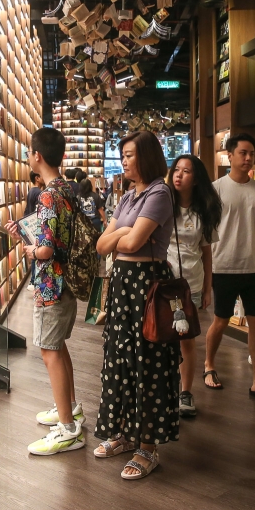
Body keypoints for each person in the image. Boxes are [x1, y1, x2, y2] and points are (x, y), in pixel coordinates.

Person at [93, 131, 178, 480]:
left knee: (148, 362)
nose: (124, 161)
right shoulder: (129, 197)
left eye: (129, 155)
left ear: (145, 156)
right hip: (124, 285)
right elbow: (103, 245)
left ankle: (148, 446)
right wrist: (119, 239)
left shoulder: (160, 193)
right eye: (123, 155)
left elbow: (136, 240)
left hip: (148, 286)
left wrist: (119, 239)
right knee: (119, 360)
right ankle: (125, 433)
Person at [5, 128, 84, 456]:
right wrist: (27, 235)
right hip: (66, 282)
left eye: (28, 151)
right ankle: (69, 408)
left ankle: (67, 429)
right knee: (58, 346)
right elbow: (55, 234)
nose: (27, 156)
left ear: (38, 155)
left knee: (49, 350)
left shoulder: (48, 194)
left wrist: (30, 250)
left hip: (52, 283)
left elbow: (47, 249)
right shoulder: (66, 187)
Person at [203, 132, 255, 403]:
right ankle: (209, 365)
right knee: (221, 321)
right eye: (243, 153)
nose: (248, 158)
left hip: (254, 268)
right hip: (223, 267)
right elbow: (206, 231)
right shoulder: (215, 189)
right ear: (230, 155)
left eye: (252, 153)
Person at [166, 154, 222, 417]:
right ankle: (165, 389)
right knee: (162, 336)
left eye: (186, 171)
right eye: (176, 169)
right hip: (163, 283)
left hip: (191, 284)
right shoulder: (163, 203)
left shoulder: (204, 211)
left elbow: (207, 252)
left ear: (196, 178)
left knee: (187, 340)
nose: (178, 175)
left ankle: (185, 393)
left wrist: (208, 288)